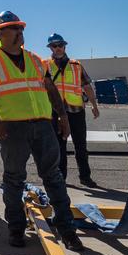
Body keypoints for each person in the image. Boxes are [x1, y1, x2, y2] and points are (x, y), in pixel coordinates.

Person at [0, 11, 82, 252]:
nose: (20, 32)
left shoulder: (36, 60)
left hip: (42, 125)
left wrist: (62, 116)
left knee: (54, 177)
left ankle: (67, 229)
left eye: (20, 28)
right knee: (14, 179)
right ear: (0, 33)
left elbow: (49, 89)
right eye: (13, 28)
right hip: (12, 128)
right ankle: (16, 228)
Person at [44, 33, 100, 188]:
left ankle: (85, 176)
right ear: (50, 48)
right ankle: (61, 177)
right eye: (54, 46)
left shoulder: (76, 65)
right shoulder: (45, 66)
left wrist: (94, 105)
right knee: (59, 146)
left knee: (80, 145)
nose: (58, 48)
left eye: (60, 45)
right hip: (55, 112)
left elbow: (87, 86)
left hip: (75, 111)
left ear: (65, 46)